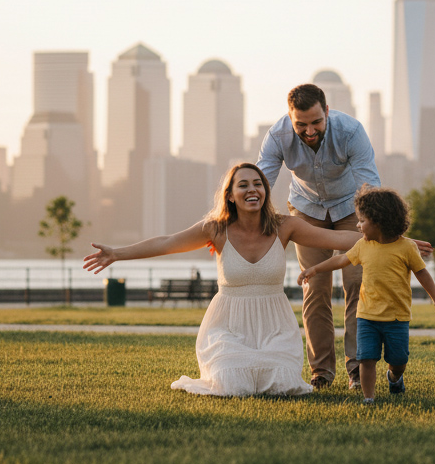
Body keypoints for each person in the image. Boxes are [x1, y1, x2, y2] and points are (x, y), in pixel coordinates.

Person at [83, 162, 365, 397]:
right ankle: (228, 361)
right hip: (227, 329)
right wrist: (117, 254)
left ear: (265, 191)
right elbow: (168, 242)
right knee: (233, 383)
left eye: (258, 184)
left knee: (283, 384)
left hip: (275, 329)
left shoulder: (284, 226)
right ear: (230, 195)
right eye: (243, 185)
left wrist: (393, 239)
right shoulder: (215, 230)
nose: (252, 189)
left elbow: (339, 238)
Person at [257, 83, 383, 392]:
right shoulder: (278, 136)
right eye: (301, 124)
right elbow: (260, 183)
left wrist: (382, 230)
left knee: (356, 284)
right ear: (291, 118)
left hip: (350, 210)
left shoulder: (351, 132)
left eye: (316, 122)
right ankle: (322, 371)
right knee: (314, 286)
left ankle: (356, 368)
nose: (309, 131)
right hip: (307, 210)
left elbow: (370, 184)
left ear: (326, 111)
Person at [297, 185, 435, 405]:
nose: (358, 226)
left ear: (379, 222)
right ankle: (369, 398)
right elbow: (341, 260)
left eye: (362, 221)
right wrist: (315, 269)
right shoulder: (363, 245)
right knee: (366, 359)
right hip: (367, 316)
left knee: (398, 360)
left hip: (396, 317)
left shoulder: (406, 248)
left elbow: (422, 273)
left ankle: (394, 377)